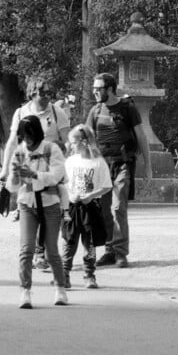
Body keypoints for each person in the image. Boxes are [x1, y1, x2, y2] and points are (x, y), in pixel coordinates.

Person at [0, 77, 71, 269]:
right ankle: (35, 252)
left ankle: (45, 252)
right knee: (31, 206)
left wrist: (59, 151)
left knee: (49, 208)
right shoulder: (21, 112)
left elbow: (68, 142)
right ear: (32, 93)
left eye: (49, 93)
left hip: (50, 168)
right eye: (43, 93)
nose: (47, 96)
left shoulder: (58, 112)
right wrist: (5, 169)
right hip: (28, 166)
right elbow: (13, 142)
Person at [86, 72, 152, 269]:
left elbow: (141, 137)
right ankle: (109, 251)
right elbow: (87, 139)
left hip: (123, 163)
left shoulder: (127, 109)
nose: (95, 92)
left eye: (99, 89)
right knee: (105, 210)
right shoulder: (95, 111)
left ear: (110, 89)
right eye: (94, 89)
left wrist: (147, 166)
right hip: (101, 167)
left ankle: (121, 253)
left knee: (118, 207)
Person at [5, 115, 67, 309]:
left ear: (37, 133)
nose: (27, 140)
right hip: (27, 203)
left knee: (51, 250)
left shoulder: (51, 149)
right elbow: (12, 187)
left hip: (49, 203)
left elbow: (57, 176)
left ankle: (60, 288)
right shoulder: (19, 152)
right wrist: (15, 176)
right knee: (26, 249)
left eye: (30, 135)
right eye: (24, 136)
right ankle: (25, 291)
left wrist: (32, 174)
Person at [63, 124, 112, 289]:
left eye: (74, 142)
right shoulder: (70, 161)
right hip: (72, 205)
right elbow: (63, 183)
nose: (71, 146)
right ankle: (64, 274)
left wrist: (90, 196)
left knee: (89, 242)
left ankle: (89, 274)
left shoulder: (98, 162)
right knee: (69, 241)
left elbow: (107, 186)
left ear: (84, 142)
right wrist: (70, 196)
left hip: (90, 206)